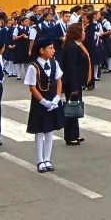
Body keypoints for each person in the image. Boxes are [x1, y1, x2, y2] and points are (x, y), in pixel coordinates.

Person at [24, 40, 65, 173]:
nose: (53, 51)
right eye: (50, 48)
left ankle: (47, 159)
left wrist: (57, 97)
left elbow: (58, 80)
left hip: (53, 99)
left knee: (50, 130)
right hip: (40, 102)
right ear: (42, 50)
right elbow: (32, 87)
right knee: (39, 130)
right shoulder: (33, 66)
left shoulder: (54, 63)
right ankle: (39, 160)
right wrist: (43, 102)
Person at [61, 23, 91, 146]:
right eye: (83, 31)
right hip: (73, 82)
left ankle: (75, 134)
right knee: (71, 108)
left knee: (75, 107)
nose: (84, 33)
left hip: (77, 81)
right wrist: (73, 86)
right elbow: (71, 67)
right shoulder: (71, 47)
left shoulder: (77, 45)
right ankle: (70, 136)